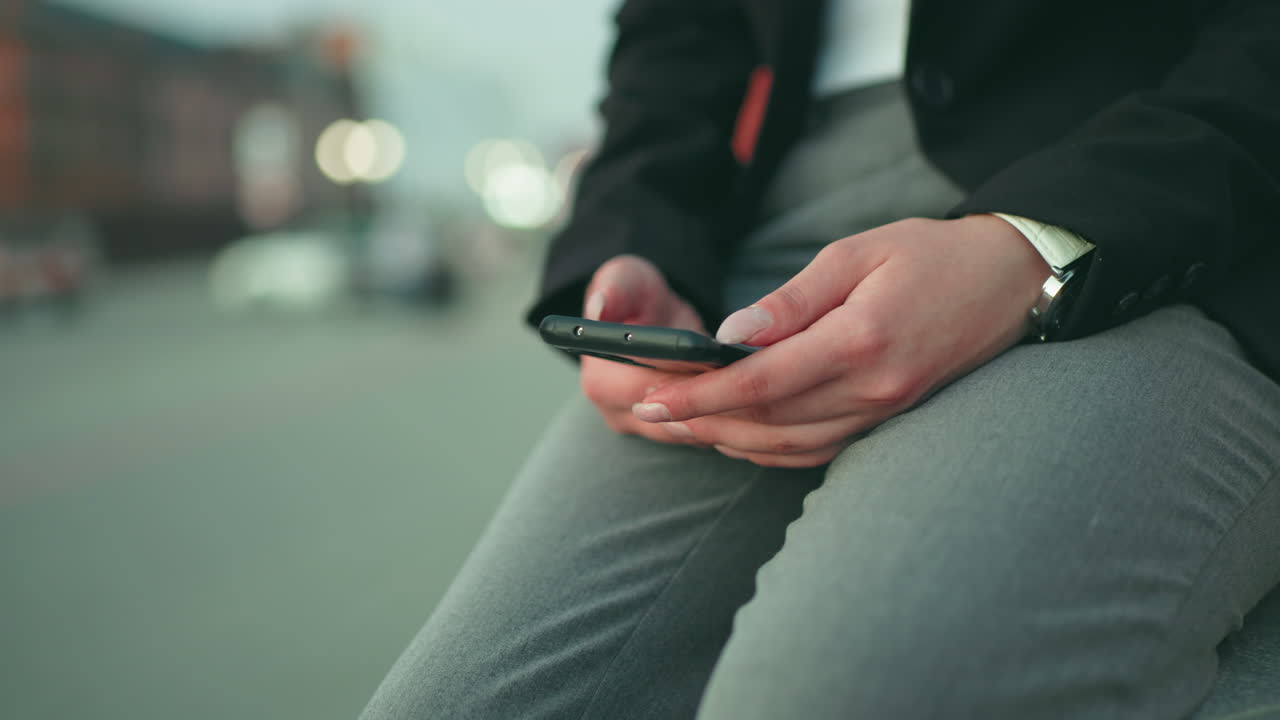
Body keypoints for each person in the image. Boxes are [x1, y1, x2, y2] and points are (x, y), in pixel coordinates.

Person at [363, 1, 1280, 717]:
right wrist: (633, 242)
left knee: (835, 695)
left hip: (1161, 185)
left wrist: (1038, 242)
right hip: (776, 227)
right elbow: (675, 31)